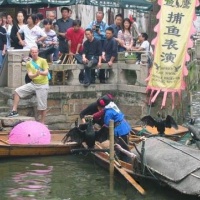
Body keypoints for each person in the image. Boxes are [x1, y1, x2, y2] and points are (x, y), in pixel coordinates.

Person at [7, 46, 49, 124]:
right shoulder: (29, 63)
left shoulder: (43, 61)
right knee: (17, 91)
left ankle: (42, 122)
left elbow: (46, 72)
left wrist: (40, 73)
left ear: (38, 52)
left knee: (42, 106)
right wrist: (36, 74)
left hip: (42, 85)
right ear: (30, 53)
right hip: (33, 83)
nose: (34, 53)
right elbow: (30, 75)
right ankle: (14, 110)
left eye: (35, 52)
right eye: (32, 52)